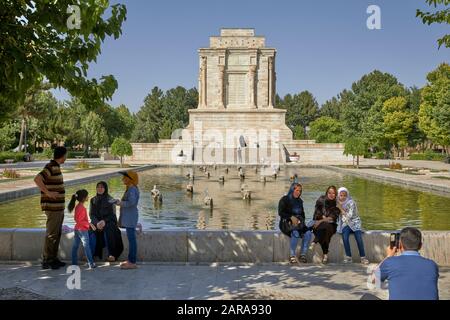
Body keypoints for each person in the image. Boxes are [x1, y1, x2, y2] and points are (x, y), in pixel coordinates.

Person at [372, 227, 439, 300]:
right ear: (420, 246)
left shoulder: (390, 262)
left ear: (400, 245)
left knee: (366, 297)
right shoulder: (432, 265)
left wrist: (389, 256)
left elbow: (374, 280)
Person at [34, 146, 67, 270]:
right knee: (52, 234)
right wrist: (48, 193)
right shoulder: (50, 167)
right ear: (62, 155)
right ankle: (47, 260)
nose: (66, 157)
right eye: (66, 155)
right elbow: (37, 179)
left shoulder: (56, 167)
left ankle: (53, 259)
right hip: (53, 208)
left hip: (58, 208)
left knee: (56, 234)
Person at [89, 181, 124, 262]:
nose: (99, 189)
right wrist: (97, 223)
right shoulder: (93, 200)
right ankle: (91, 254)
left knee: (109, 230)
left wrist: (104, 221)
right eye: (98, 187)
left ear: (105, 189)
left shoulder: (110, 200)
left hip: (108, 222)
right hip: (96, 222)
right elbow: (91, 214)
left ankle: (111, 254)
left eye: (102, 187)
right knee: (91, 230)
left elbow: (113, 215)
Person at [278, 183, 312, 264]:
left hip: (299, 223)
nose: (298, 193)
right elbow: (281, 213)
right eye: (297, 190)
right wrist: (291, 217)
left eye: (300, 191)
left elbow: (303, 215)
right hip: (286, 223)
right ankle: (292, 255)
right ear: (292, 190)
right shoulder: (284, 199)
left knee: (308, 233)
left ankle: (303, 255)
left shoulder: (300, 201)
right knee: (295, 233)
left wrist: (300, 221)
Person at [336, 187, 369, 265]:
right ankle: (349, 257)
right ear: (338, 195)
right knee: (345, 237)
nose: (343, 197)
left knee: (359, 238)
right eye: (341, 195)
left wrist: (340, 208)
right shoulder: (337, 203)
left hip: (355, 222)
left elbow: (350, 216)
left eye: (344, 195)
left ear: (347, 195)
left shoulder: (351, 202)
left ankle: (363, 257)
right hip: (345, 224)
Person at [115, 170, 140, 269]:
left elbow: (131, 203)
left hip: (130, 218)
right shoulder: (130, 188)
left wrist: (120, 203)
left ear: (130, 179)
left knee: (132, 240)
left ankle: (132, 262)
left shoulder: (132, 189)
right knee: (131, 239)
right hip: (130, 217)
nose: (122, 179)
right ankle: (130, 260)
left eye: (125, 177)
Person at [310, 186, 339, 264]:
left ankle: (314, 241)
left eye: (333, 193)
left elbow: (332, 218)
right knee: (324, 229)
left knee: (326, 226)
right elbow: (317, 212)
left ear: (335, 194)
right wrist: (321, 219)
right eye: (329, 193)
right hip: (318, 224)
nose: (331, 194)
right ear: (326, 193)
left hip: (331, 225)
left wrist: (321, 220)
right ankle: (325, 254)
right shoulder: (321, 200)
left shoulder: (337, 204)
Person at [68, 189, 96, 269]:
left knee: (75, 246)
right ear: (83, 198)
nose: (88, 197)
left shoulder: (78, 207)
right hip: (82, 230)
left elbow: (77, 220)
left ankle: (74, 263)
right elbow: (79, 220)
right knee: (87, 246)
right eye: (87, 196)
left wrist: (88, 224)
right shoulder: (81, 208)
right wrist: (89, 224)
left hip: (77, 229)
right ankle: (91, 263)